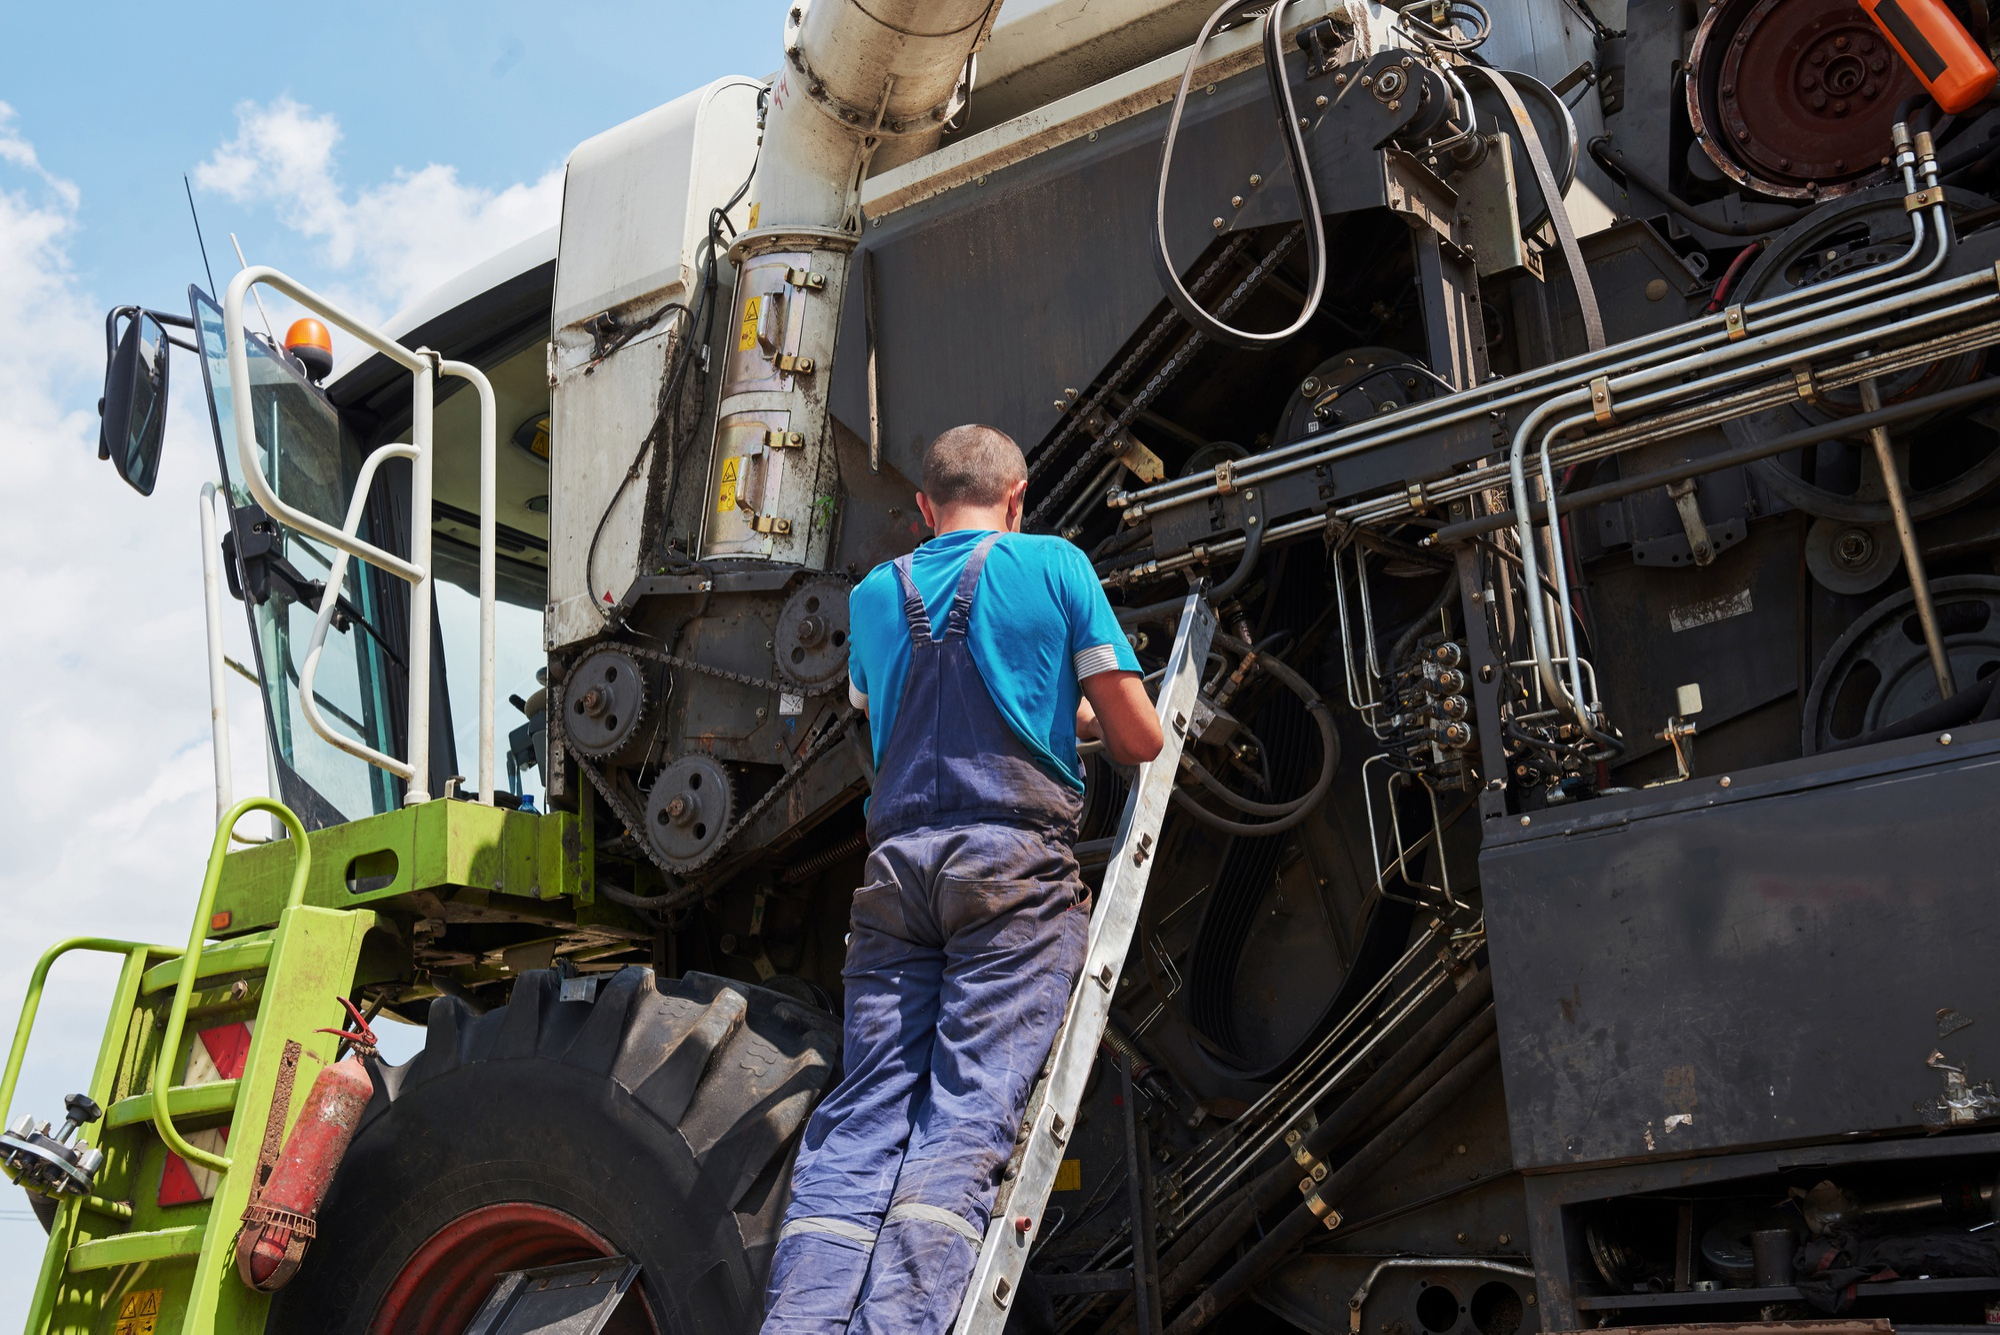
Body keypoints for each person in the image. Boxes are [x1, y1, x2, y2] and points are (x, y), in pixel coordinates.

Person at [761, 424, 1164, 1334]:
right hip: (1010, 875)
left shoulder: (873, 595)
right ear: (1017, 498)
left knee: (863, 1119)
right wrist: (1076, 721)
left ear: (923, 509)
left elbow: (891, 720)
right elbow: (1140, 740)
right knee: (966, 1113)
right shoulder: (1053, 565)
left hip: (898, 878)